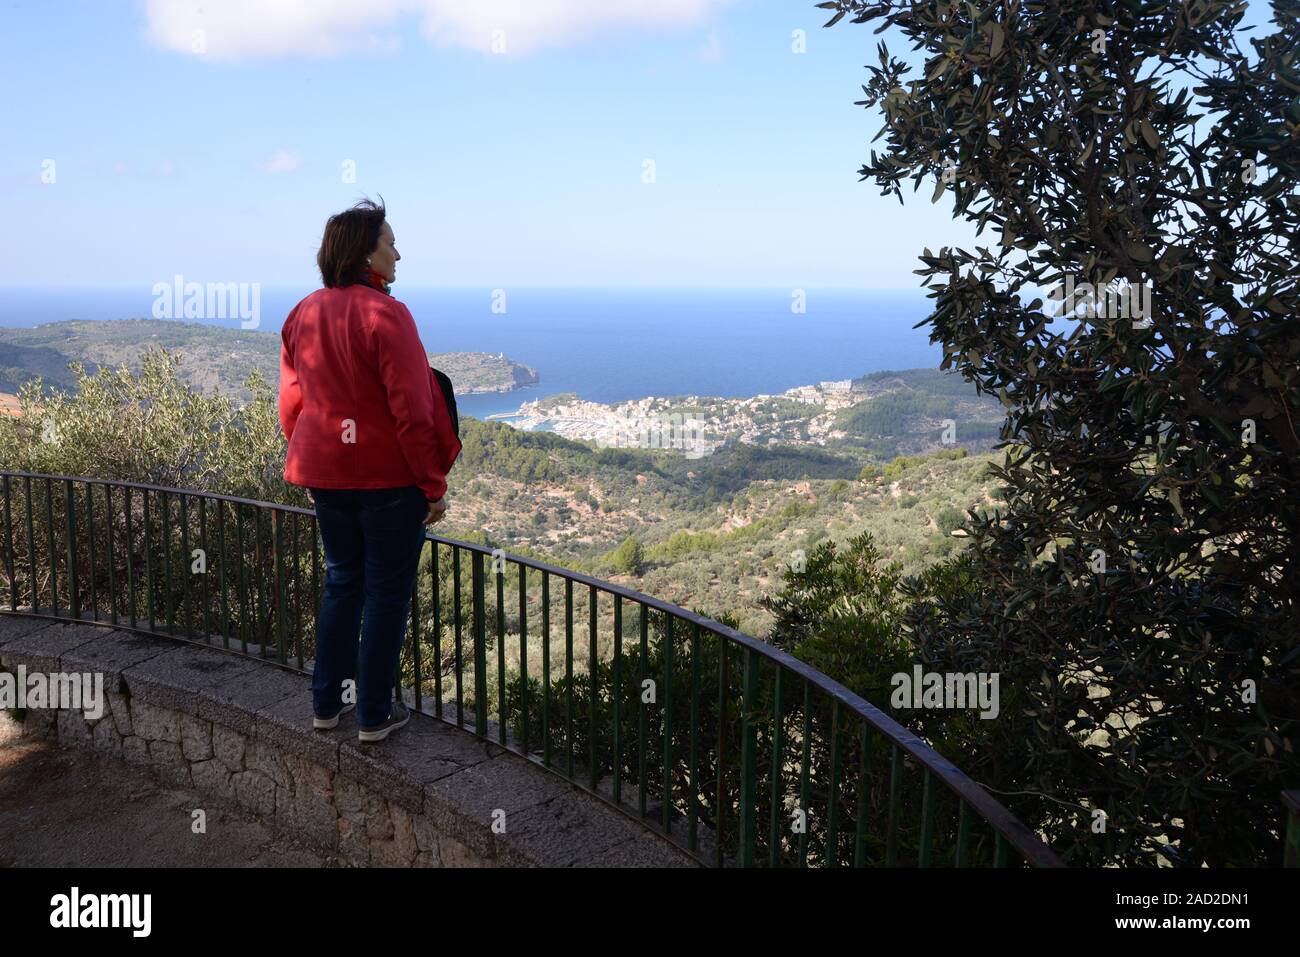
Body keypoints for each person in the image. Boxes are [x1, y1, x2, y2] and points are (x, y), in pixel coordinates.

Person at [278, 198, 461, 743]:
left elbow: (292, 405)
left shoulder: (302, 312)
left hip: (326, 480)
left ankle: (325, 706)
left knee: (341, 586)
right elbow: (414, 411)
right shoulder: (388, 315)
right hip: (388, 485)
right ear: (366, 254)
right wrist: (433, 485)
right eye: (390, 243)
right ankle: (374, 714)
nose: (398, 253)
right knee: (385, 595)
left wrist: (318, 462)